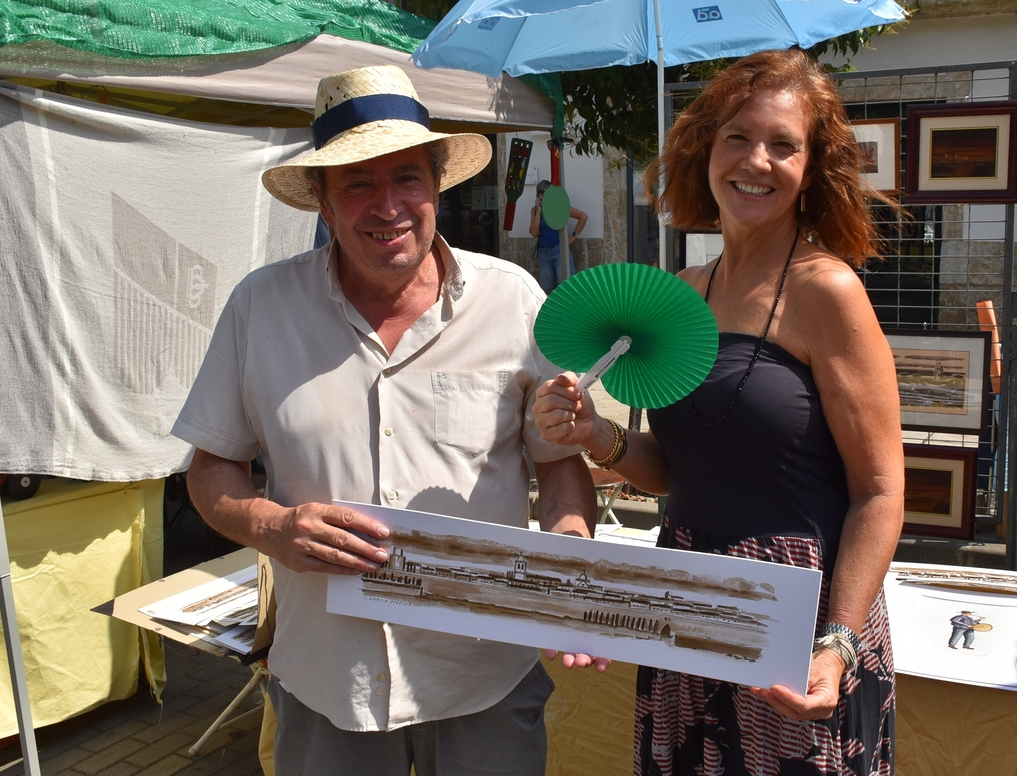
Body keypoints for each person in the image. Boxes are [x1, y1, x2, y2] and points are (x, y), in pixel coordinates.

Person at [175, 65, 601, 776]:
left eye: (407, 177)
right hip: (325, 682)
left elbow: (559, 468)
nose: (388, 206)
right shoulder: (260, 307)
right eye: (357, 184)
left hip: (484, 677)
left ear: (436, 185)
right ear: (322, 200)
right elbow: (212, 469)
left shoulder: (512, 300)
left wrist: (571, 549)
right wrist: (272, 527)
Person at [533, 49, 904, 775]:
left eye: (783, 145)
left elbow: (882, 492)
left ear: (811, 168)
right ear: (705, 151)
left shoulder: (827, 291)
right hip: (687, 600)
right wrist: (598, 436)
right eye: (737, 137)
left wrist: (837, 644)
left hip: (798, 618)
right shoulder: (683, 291)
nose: (756, 161)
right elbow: (678, 473)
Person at [529, 179, 588, 294]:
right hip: (543, 252)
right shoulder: (535, 211)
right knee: (546, 289)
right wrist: (538, 212)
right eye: (541, 192)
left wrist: (573, 236)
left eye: (546, 192)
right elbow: (534, 232)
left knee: (566, 286)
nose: (543, 195)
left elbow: (583, 216)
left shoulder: (559, 207)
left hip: (559, 250)